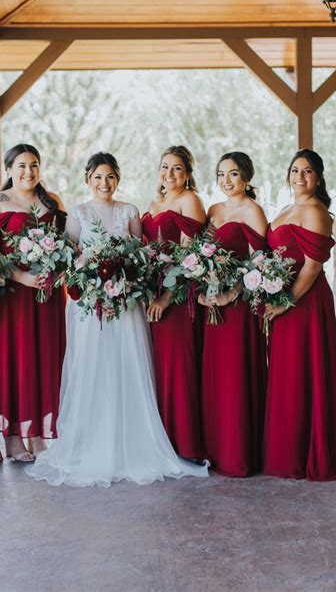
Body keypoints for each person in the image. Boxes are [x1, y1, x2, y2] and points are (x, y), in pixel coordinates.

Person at [26, 152, 209, 486]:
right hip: (89, 310)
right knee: (94, 369)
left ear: (118, 179)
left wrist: (124, 286)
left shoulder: (130, 211)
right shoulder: (79, 214)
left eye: (110, 176)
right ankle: (92, 441)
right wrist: (93, 289)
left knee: (126, 368)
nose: (104, 183)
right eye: (97, 177)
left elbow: (142, 256)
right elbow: (71, 263)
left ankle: (133, 442)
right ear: (88, 180)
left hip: (127, 307)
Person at [263, 149, 336, 480]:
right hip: (284, 300)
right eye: (294, 170)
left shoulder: (317, 211)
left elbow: (314, 266)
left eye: (307, 171)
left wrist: (285, 300)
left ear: (318, 177)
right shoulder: (287, 209)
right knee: (289, 374)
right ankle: (287, 450)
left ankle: (310, 452)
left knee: (305, 371)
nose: (299, 176)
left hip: (305, 303)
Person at [0, 144, 66, 462]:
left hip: (47, 295)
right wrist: (22, 277)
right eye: (21, 165)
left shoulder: (52, 201)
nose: (28, 172)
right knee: (14, 361)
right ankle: (15, 438)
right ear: (9, 169)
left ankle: (40, 436)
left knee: (44, 360)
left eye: (34, 165)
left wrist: (54, 272)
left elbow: (65, 244)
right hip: (12, 295)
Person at [198, 152, 267, 476]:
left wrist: (232, 293)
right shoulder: (213, 210)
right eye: (221, 174)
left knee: (236, 377)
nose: (226, 180)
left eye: (234, 174)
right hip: (213, 306)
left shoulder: (253, 211)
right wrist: (204, 286)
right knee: (215, 378)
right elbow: (198, 254)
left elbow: (258, 263)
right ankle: (215, 451)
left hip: (237, 309)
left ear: (247, 178)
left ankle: (239, 455)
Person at [141, 146, 205, 461]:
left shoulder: (189, 201)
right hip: (151, 293)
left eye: (177, 168)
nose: (170, 174)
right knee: (156, 367)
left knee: (178, 366)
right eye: (165, 167)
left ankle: (184, 444)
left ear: (188, 173)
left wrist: (167, 296)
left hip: (177, 296)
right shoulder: (154, 203)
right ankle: (161, 440)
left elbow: (190, 257)